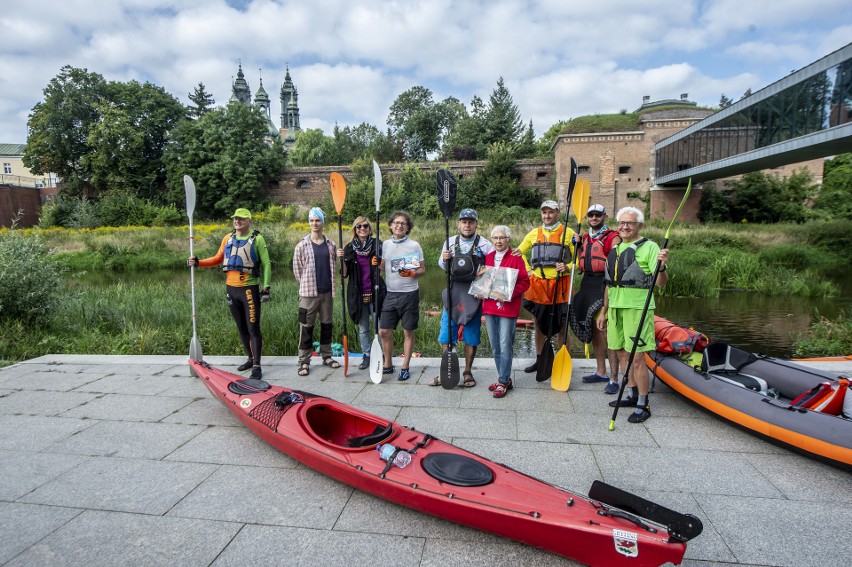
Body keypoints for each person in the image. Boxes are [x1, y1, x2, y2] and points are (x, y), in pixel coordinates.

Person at [596, 206, 668, 423]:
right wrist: (604, 311)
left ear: (640, 226)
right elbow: (610, 284)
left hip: (638, 308)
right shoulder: (615, 249)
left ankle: (643, 403)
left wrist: (662, 268)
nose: (625, 227)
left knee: (637, 358)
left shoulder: (650, 247)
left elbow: (661, 284)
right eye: (622, 223)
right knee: (619, 352)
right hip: (616, 308)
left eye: (630, 223)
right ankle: (631, 393)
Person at [187, 208, 271, 379]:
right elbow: (218, 258)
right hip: (231, 290)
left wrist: (266, 287)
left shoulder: (258, 239)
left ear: (249, 221)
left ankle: (257, 366)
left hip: (249, 289)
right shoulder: (228, 238)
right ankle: (250, 358)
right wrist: (198, 262)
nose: (237, 221)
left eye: (240, 219)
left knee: (253, 328)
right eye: (235, 219)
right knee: (241, 327)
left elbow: (267, 264)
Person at [431, 208, 494, 388]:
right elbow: (443, 266)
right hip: (453, 292)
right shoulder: (450, 242)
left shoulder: (485, 245)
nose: (467, 225)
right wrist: (444, 258)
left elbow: (490, 270)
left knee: (471, 336)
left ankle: (467, 371)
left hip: (474, 294)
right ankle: (448, 370)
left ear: (476, 224)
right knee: (446, 335)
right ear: (459, 223)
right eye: (464, 222)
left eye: (471, 222)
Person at [513, 200, 574, 374]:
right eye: (544, 212)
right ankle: (540, 361)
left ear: (558, 213)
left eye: (551, 212)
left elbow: (579, 258)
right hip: (538, 285)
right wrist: (527, 271)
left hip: (561, 285)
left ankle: (564, 361)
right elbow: (518, 253)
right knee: (538, 323)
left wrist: (568, 267)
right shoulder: (534, 233)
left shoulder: (568, 233)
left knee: (563, 325)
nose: (547, 216)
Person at [569, 204, 621, 393]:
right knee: (593, 329)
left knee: (605, 330)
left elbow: (617, 259)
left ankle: (614, 378)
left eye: (597, 215)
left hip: (604, 284)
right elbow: (582, 258)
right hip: (587, 284)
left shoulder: (612, 237)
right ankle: (601, 372)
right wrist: (578, 245)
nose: (594, 218)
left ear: (604, 216)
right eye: (590, 215)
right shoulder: (584, 237)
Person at [477, 225, 530, 398]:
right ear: (492, 240)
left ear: (508, 239)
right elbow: (484, 280)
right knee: (495, 345)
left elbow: (524, 282)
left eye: (502, 238)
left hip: (508, 307)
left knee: (505, 344)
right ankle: (504, 379)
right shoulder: (488, 257)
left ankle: (502, 380)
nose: (498, 241)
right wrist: (480, 289)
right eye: (495, 238)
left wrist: (508, 294)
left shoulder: (516, 258)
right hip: (490, 307)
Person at [378, 211, 425, 381]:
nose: (399, 225)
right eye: (396, 223)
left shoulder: (414, 246)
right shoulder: (384, 245)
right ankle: (388, 364)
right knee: (384, 331)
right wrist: (377, 263)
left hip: (409, 294)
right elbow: (383, 267)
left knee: (408, 331)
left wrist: (413, 274)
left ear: (408, 228)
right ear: (391, 225)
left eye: (403, 224)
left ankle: (405, 365)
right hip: (390, 294)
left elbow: (422, 270)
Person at [293, 207, 340, 376]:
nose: (315, 224)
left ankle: (327, 356)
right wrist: (306, 285)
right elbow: (297, 271)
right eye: (312, 220)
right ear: (309, 222)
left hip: (327, 293)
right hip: (308, 294)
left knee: (327, 325)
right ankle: (304, 361)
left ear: (323, 222)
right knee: (306, 327)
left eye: (318, 220)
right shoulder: (301, 246)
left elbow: (334, 266)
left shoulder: (331, 245)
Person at [337, 216, 386, 370]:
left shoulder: (378, 245)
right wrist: (342, 259)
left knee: (379, 327)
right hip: (358, 294)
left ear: (370, 228)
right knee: (364, 328)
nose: (362, 229)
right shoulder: (349, 248)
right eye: (359, 227)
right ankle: (367, 355)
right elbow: (344, 274)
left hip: (376, 291)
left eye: (365, 226)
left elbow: (385, 268)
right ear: (355, 229)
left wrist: (380, 262)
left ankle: (381, 354)